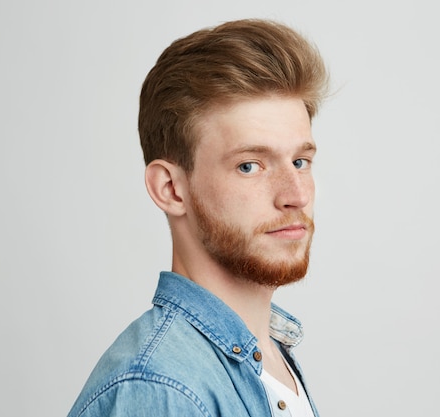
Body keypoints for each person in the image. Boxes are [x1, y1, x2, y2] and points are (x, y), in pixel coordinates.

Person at [67, 18, 329, 417]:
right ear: (171, 189)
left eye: (300, 161)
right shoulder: (161, 388)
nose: (296, 195)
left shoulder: (269, 358)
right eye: (249, 166)